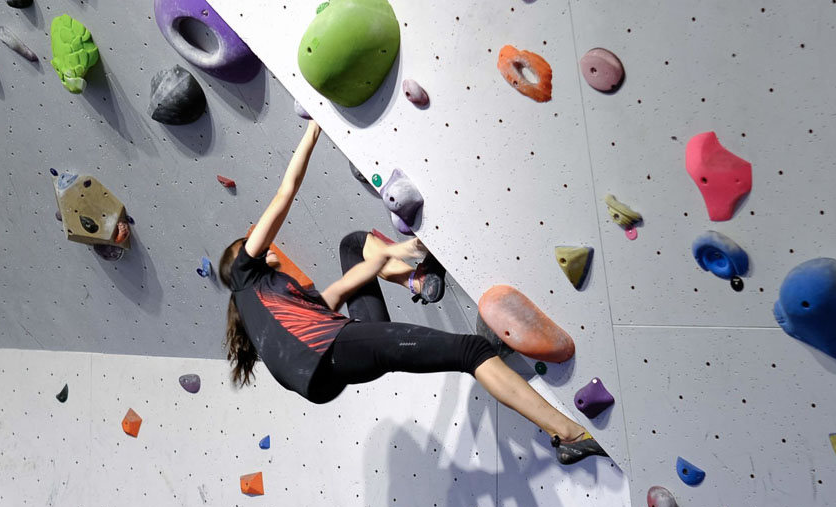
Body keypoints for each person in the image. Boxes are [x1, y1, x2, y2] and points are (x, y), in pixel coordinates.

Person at [219, 121, 606, 465]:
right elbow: (285, 193)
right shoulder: (244, 273)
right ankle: (568, 434)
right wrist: (313, 131)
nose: (266, 245)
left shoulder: (275, 310)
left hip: (326, 372)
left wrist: (396, 252)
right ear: (241, 255)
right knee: (471, 351)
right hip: (333, 353)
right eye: (250, 242)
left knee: (352, 246)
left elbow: (342, 288)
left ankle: (417, 278)